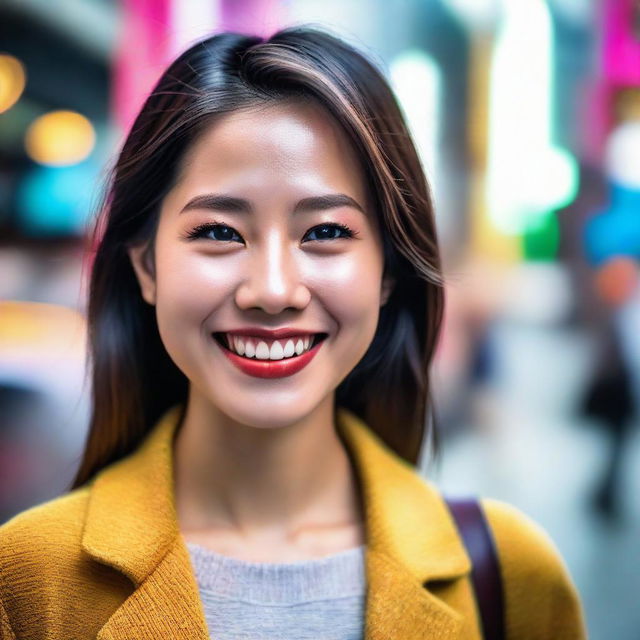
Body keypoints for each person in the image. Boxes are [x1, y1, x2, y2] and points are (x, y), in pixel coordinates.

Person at [0, 26, 586, 640]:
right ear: (146, 265)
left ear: (388, 270)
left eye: (326, 232)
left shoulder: (510, 577)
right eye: (220, 232)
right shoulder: (30, 582)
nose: (274, 291)